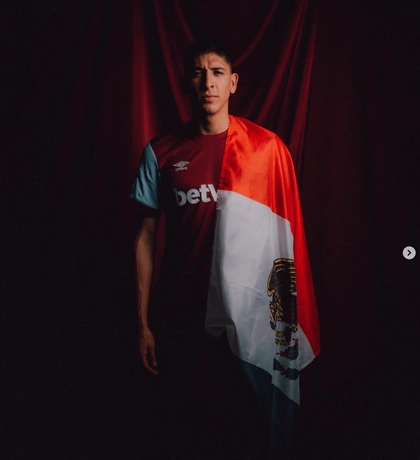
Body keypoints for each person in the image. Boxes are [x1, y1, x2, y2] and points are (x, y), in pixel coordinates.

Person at [131, 39, 320, 459]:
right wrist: (142, 322)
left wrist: (284, 324)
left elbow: (284, 239)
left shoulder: (266, 150)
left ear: (233, 82)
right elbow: (144, 236)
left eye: (217, 73)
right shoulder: (160, 152)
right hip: (181, 313)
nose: (208, 83)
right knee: (185, 430)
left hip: (246, 320)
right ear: (186, 83)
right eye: (198, 74)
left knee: (246, 430)